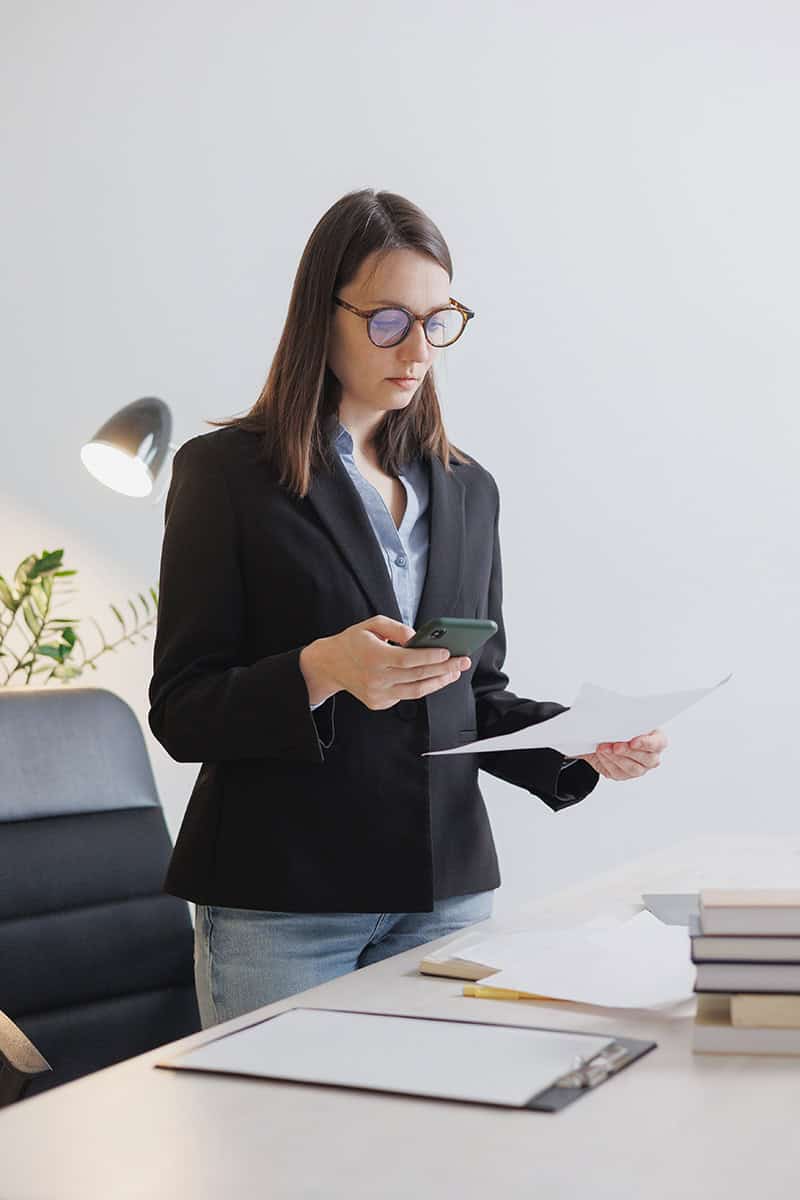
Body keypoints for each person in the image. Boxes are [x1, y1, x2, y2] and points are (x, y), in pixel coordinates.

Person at [147, 188, 668, 1029]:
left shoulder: (468, 489)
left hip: (443, 894)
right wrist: (321, 669)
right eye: (388, 320)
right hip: (283, 904)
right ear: (326, 314)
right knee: (281, 1155)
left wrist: (577, 737)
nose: (417, 349)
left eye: (438, 320)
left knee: (431, 1149)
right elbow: (181, 711)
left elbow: (473, 693)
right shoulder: (227, 476)